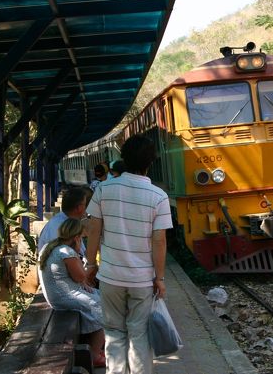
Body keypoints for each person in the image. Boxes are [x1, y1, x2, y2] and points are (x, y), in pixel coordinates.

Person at [85, 134, 172, 374]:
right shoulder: (158, 196)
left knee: (114, 333)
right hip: (141, 279)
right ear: (150, 162)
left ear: (122, 159)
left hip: (111, 277)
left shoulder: (104, 189)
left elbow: (93, 229)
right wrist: (160, 278)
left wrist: (90, 264)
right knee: (139, 334)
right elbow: (159, 241)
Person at [38, 218, 106, 368]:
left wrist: (81, 282)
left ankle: (95, 347)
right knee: (102, 307)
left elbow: (75, 277)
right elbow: (82, 276)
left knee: (99, 297)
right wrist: (85, 270)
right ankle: (94, 354)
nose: (82, 241)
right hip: (63, 298)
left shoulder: (51, 246)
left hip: (57, 295)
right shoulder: (66, 252)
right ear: (76, 237)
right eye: (81, 238)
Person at [37, 186, 92, 257]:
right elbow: (66, 257)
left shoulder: (68, 222)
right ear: (79, 208)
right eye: (85, 205)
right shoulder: (60, 226)